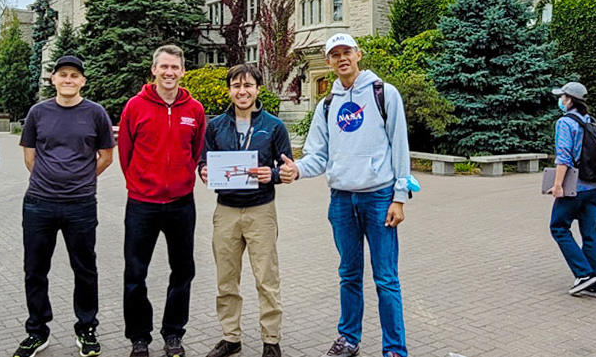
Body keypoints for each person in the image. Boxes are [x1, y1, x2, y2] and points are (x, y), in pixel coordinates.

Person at [280, 33, 411, 357]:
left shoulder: (384, 94)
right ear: (328, 62)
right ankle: (349, 338)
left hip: (379, 199)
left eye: (346, 52)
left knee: (386, 278)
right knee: (348, 274)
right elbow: (317, 155)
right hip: (341, 200)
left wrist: (400, 196)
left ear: (358, 54)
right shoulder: (328, 104)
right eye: (335, 54)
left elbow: (400, 148)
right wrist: (297, 169)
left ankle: (394, 349)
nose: (342, 58)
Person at [13, 55, 116, 357]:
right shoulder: (38, 112)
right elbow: (29, 156)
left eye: (74, 76)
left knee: (84, 269)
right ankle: (37, 331)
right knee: (35, 269)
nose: (68, 80)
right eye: (63, 75)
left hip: (80, 205)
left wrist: (81, 179)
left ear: (83, 81)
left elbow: (107, 156)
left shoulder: (95, 113)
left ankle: (86, 329)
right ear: (53, 80)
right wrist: (50, 180)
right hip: (39, 204)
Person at [118, 44, 207, 357]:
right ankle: (139, 337)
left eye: (175, 68)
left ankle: (173, 334)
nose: (169, 73)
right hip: (142, 204)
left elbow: (195, 151)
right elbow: (125, 154)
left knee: (183, 271)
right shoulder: (135, 107)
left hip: (182, 204)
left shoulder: (194, 110)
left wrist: (181, 180)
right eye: (164, 67)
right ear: (153, 70)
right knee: (135, 273)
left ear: (183, 71)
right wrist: (141, 184)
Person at [198, 64, 292, 357]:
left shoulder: (274, 126)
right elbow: (204, 161)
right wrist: (203, 170)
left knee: (266, 278)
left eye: (248, 85)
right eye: (236, 86)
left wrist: (275, 175)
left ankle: (271, 340)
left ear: (257, 89)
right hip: (225, 211)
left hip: (260, 211)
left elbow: (286, 168)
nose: (242, 91)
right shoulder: (215, 126)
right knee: (226, 279)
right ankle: (231, 337)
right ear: (229, 90)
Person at [549, 81, 596, 298]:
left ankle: (583, 274)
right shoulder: (590, 121)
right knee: (591, 233)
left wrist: (557, 185)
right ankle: (594, 284)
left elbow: (563, 157)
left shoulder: (565, 123)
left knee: (559, 227)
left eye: (562, 97)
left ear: (570, 100)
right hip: (595, 186)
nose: (560, 101)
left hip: (576, 186)